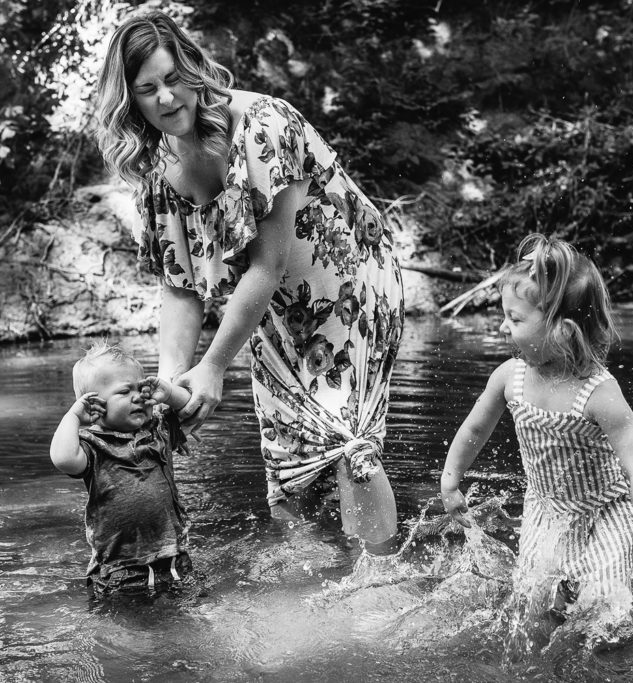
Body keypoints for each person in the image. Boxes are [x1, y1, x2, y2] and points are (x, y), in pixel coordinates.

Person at [94, 12, 405, 551]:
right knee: (289, 463)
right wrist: (175, 381)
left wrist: (213, 365)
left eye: (174, 79)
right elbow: (180, 287)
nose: (167, 99)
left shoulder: (264, 125)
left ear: (193, 68)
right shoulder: (157, 171)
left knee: (345, 440)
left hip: (350, 286)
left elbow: (267, 264)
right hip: (269, 309)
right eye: (148, 90)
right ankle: (313, 585)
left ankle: (381, 582)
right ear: (130, 102)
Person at [439, 234, 633, 628]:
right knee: (532, 609)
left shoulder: (599, 394)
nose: (503, 327)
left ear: (562, 331)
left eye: (516, 319)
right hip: (545, 513)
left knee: (604, 615)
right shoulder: (511, 377)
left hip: (605, 517)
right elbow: (476, 426)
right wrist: (450, 480)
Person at [49, 341, 194, 595]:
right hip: (120, 569)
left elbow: (190, 408)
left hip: (173, 557)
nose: (138, 397)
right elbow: (63, 459)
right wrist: (73, 417)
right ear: (94, 405)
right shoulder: (93, 446)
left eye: (141, 388)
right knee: (127, 629)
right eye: (125, 392)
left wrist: (168, 393)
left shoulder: (158, 430)